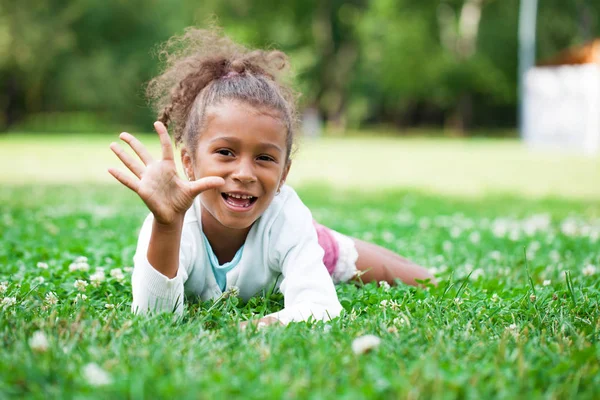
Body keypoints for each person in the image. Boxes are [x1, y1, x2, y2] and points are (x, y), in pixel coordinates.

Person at [108, 28, 434, 326]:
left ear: (283, 175)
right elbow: (154, 318)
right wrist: (167, 226)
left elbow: (321, 305)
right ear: (189, 163)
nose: (244, 173)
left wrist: (258, 327)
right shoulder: (168, 223)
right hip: (264, 237)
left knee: (417, 279)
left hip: (306, 242)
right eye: (225, 152)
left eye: (264, 158)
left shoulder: (287, 218)